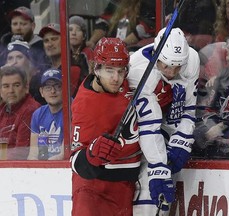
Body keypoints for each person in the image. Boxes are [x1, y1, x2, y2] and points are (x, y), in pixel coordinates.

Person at [70, 37, 172, 216]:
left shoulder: (128, 83)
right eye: (109, 71)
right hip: (93, 190)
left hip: (126, 186)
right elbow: (75, 162)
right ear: (96, 69)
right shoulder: (85, 105)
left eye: (121, 71)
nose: (116, 78)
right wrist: (92, 155)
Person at [127, 27, 200, 215]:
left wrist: (182, 140)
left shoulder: (191, 60)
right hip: (138, 128)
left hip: (167, 122)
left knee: (165, 182)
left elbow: (189, 108)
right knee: (148, 178)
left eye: (177, 66)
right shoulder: (138, 70)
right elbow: (148, 126)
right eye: (166, 65)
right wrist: (158, 165)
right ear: (156, 54)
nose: (172, 72)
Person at [0, 66, 40, 160]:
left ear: (26, 87)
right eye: (6, 86)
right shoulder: (3, 108)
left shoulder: (30, 109)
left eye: (16, 85)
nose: (11, 91)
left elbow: (21, 152)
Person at [39, 23, 88, 97]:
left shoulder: (73, 69)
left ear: (65, 41)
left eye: (54, 39)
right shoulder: (43, 69)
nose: (49, 44)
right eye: (46, 41)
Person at [27, 68, 64, 160]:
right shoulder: (38, 114)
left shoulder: (73, 110)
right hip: (44, 167)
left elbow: (64, 155)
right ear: (41, 92)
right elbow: (33, 153)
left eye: (58, 86)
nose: (53, 91)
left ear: (66, 88)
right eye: (48, 87)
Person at [87, 0, 156, 49]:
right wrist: (92, 41)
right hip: (112, 47)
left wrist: (120, 45)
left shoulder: (147, 3)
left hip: (133, 49)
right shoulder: (115, 3)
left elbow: (145, 28)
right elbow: (103, 22)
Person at [0, 6, 49, 73]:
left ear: (33, 26)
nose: (18, 28)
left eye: (23, 24)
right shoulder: (4, 44)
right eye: (15, 24)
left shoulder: (43, 46)